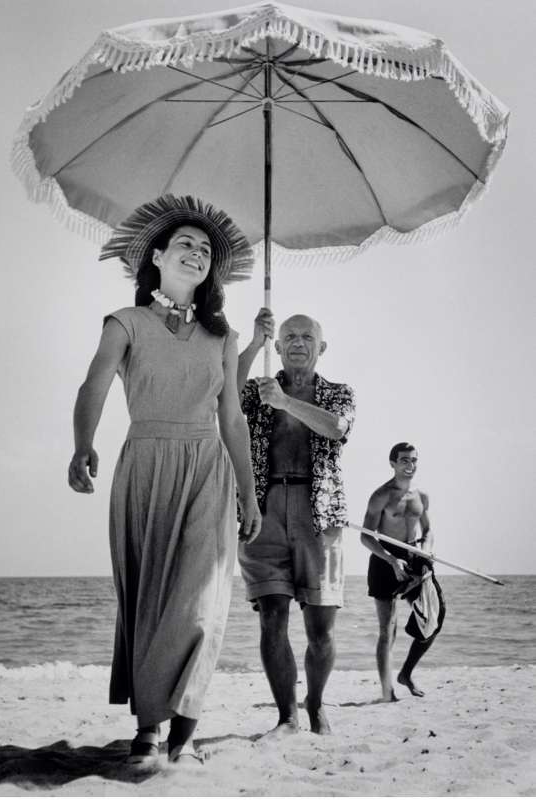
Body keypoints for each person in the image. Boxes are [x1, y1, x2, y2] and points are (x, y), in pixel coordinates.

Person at [68, 195, 261, 768]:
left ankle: (186, 724)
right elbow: (94, 386)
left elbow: (232, 419)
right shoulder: (125, 322)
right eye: (185, 244)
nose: (197, 253)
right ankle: (149, 726)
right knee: (151, 601)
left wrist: (249, 492)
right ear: (156, 256)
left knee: (202, 604)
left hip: (207, 469)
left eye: (205, 249)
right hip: (146, 465)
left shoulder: (223, 338)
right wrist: (83, 444)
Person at [237, 308, 356, 736]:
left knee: (320, 626)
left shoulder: (339, 392)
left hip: (320, 512)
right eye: (289, 337)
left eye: (307, 337)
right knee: (271, 616)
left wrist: (285, 403)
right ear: (279, 346)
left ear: (321, 347)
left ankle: (316, 703)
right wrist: (252, 343)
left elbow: (337, 430)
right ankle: (286, 715)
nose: (298, 343)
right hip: (264, 508)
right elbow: (224, 396)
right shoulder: (259, 389)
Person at [361, 443, 445, 702]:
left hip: (414, 556)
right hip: (385, 558)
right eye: (405, 460)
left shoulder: (422, 496)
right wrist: (390, 559)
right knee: (388, 629)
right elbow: (365, 537)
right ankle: (387, 692)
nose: (410, 466)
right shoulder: (381, 496)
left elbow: (428, 530)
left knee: (435, 617)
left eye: (414, 461)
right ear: (393, 463)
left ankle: (406, 673)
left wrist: (427, 549)